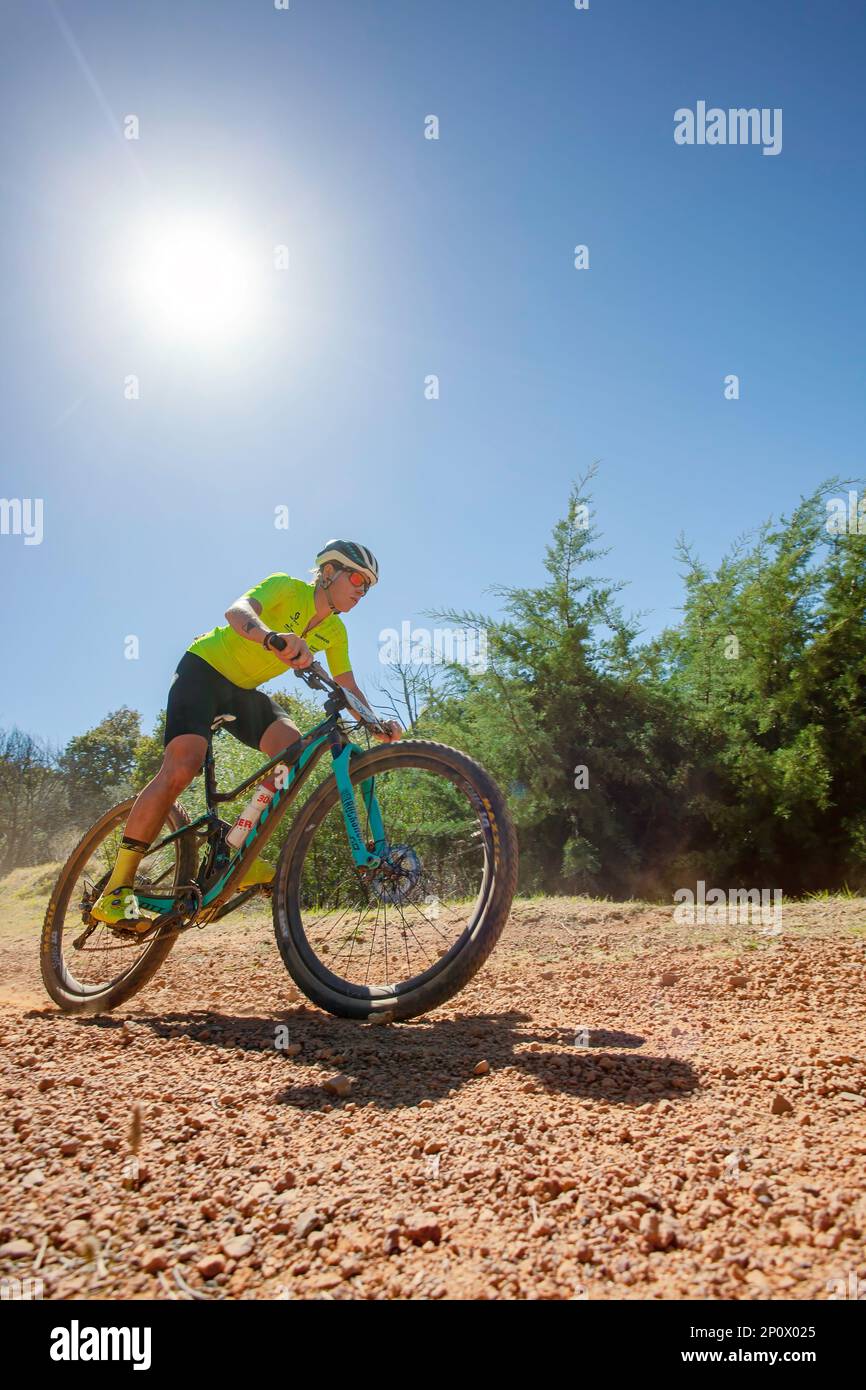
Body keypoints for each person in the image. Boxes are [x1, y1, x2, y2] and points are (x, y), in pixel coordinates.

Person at [89, 540, 401, 931]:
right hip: (204, 671)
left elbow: (346, 684)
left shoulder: (335, 632)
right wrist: (273, 638)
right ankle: (116, 889)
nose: (361, 588)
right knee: (183, 765)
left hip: (242, 692)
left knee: (293, 751)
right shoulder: (287, 588)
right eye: (357, 577)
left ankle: (236, 848)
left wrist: (374, 721)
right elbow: (238, 613)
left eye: (368, 585)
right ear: (328, 573)